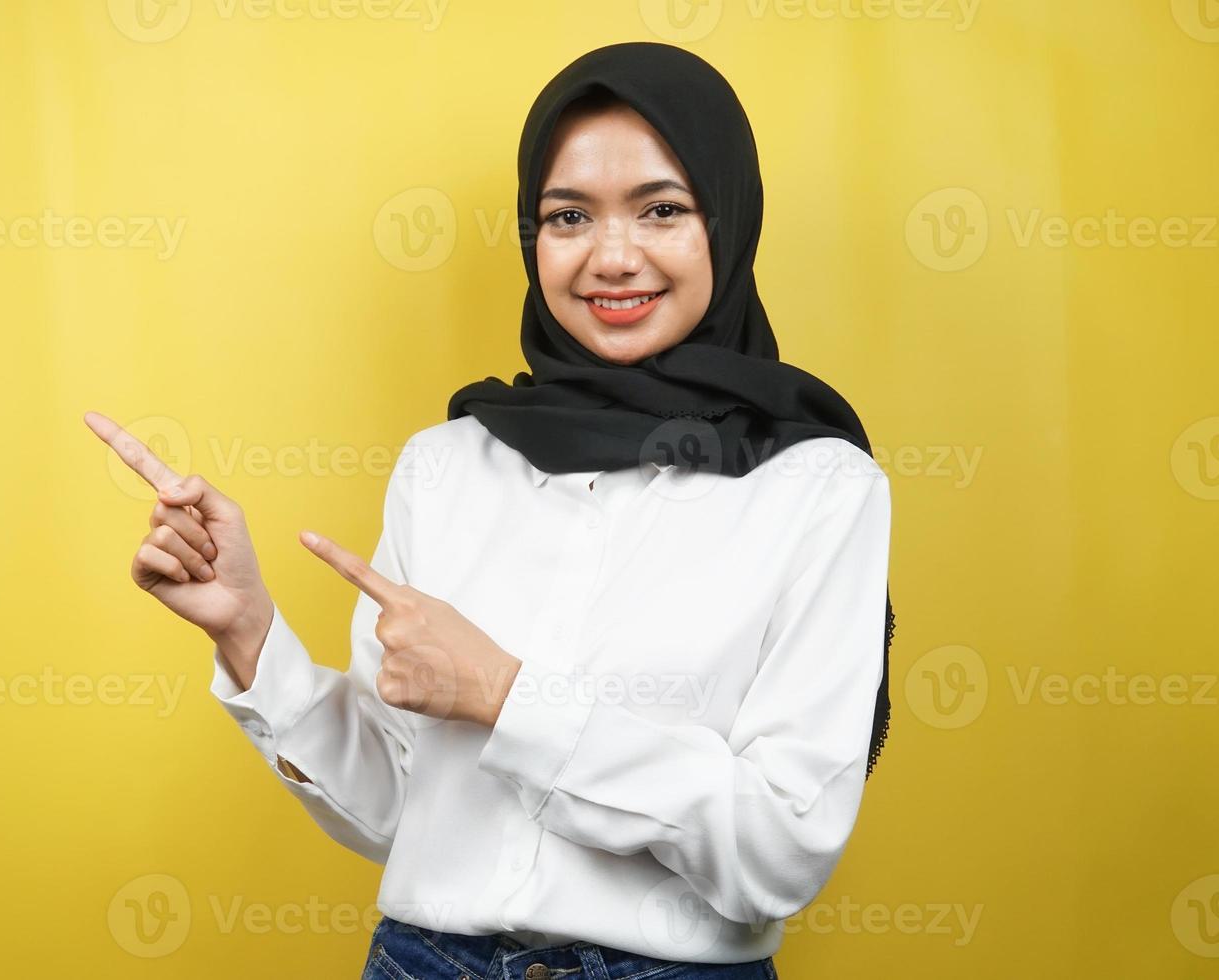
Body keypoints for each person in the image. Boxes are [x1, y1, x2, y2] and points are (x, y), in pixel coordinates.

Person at [86, 40, 894, 980]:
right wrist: (251, 635)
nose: (612, 256)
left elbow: (779, 849)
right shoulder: (450, 464)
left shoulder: (817, 486)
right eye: (567, 217)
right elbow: (399, 808)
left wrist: (507, 697)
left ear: (731, 219)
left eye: (663, 209)